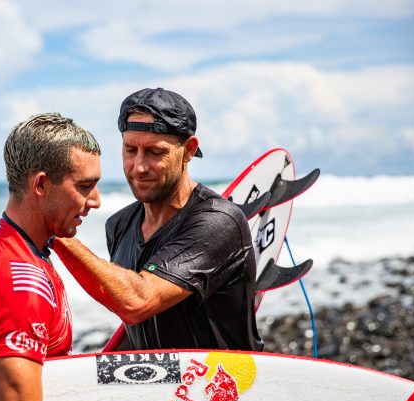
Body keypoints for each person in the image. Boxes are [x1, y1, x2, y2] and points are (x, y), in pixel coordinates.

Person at [54, 88, 263, 351]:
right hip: (160, 389)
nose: (139, 167)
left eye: (155, 152)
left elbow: (138, 302)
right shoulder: (119, 225)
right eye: (130, 150)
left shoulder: (218, 222)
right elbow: (142, 325)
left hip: (221, 386)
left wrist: (55, 231)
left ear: (189, 150)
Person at [0, 112, 101, 401]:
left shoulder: (6, 245)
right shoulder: (17, 281)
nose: (96, 200)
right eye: (85, 186)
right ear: (41, 184)